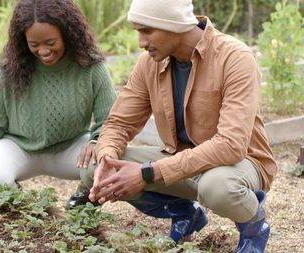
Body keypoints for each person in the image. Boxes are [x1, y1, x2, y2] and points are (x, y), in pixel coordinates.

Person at [81, 0, 278, 252]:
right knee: (97, 168)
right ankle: (187, 214)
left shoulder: (235, 58)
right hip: (179, 159)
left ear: (173, 25)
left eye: (147, 31)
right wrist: (108, 155)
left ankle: (254, 226)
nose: (141, 42)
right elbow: (119, 123)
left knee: (217, 187)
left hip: (238, 164)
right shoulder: (148, 63)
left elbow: (231, 146)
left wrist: (147, 173)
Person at [0, 0, 116, 208]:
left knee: (112, 161)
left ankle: (83, 200)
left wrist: (96, 140)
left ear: (68, 33)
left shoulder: (91, 67)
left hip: (71, 148)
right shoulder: (10, 69)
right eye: (34, 45)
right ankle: (26, 208)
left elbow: (110, 119)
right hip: (19, 148)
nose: (43, 51)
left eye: (50, 43)